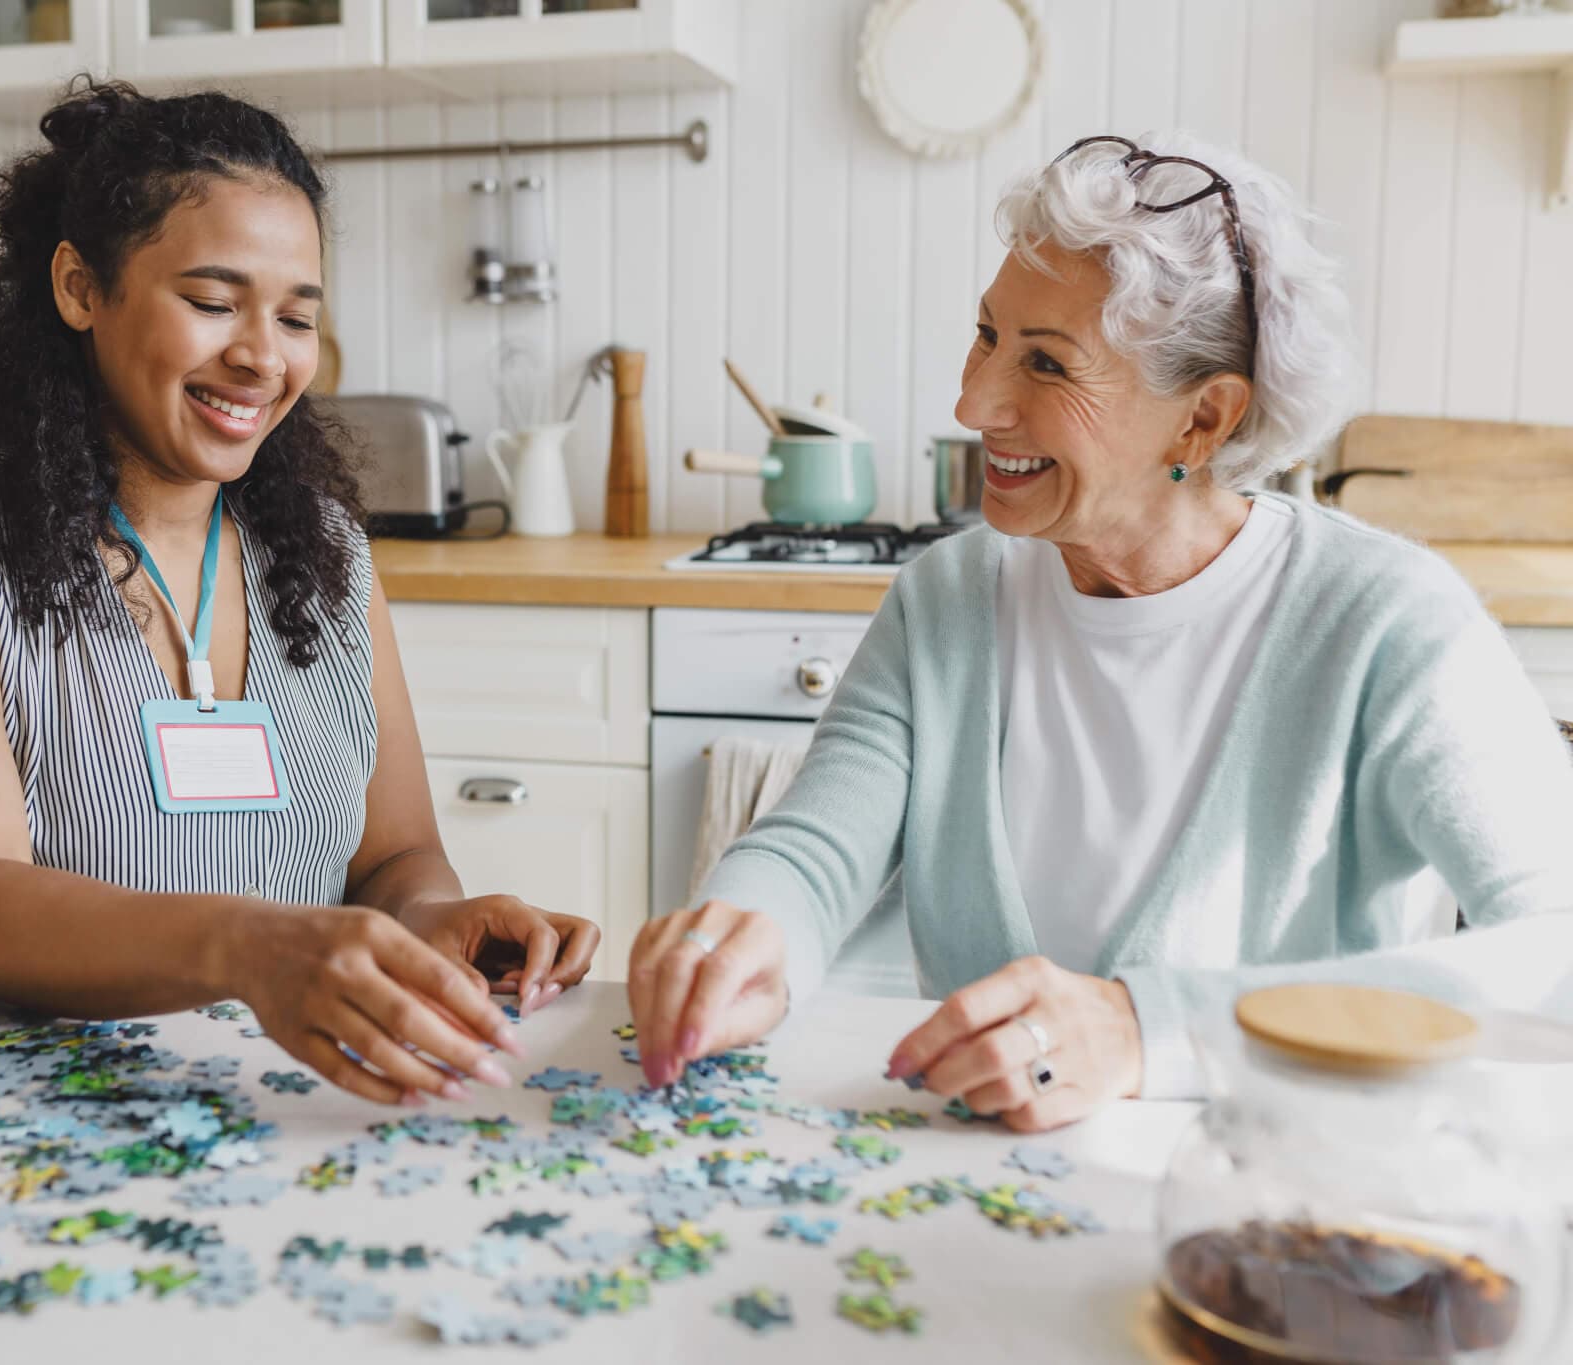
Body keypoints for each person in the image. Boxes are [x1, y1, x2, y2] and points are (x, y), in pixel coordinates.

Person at [625, 132, 1573, 1130]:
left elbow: (1555, 949)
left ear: (1201, 419)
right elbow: (816, 851)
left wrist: (1142, 1031)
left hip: (1262, 1204)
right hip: (974, 1200)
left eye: (1044, 363)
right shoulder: (946, 597)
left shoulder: (1386, 621)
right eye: (986, 335)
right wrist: (737, 932)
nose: (972, 400)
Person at [0, 80, 599, 1106]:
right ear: (78, 288)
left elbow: (397, 857)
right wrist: (250, 947)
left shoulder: (323, 552)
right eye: (211, 301)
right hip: (52, 1120)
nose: (260, 357)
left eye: (294, 317)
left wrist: (428, 925)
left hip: (313, 1110)